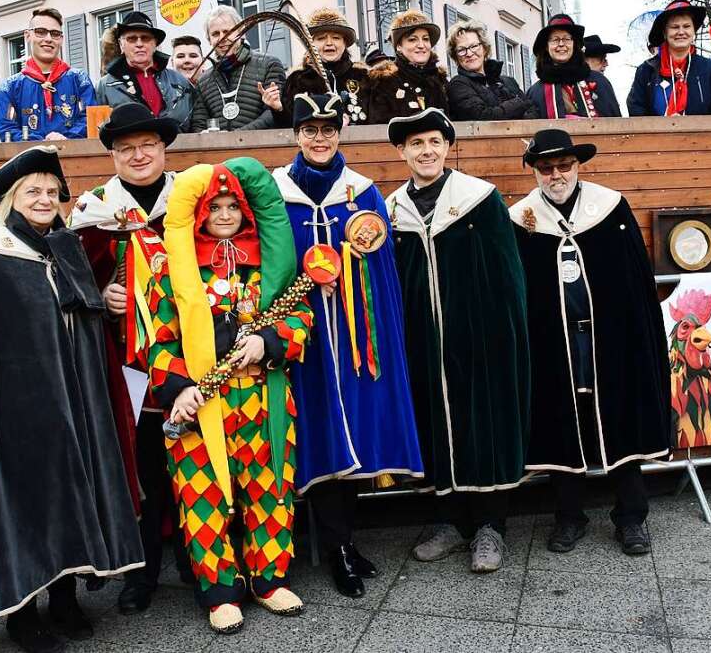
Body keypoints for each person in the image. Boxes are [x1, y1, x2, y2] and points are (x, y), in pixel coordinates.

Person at [0, 146, 143, 651]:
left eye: (52, 192)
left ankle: (65, 598)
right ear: (11, 199)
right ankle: (22, 614)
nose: (45, 199)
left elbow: (87, 331)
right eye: (33, 192)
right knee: (22, 508)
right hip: (9, 415)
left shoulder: (67, 253)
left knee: (69, 499)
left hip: (71, 407)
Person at [146, 158, 313, 633]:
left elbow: (300, 318)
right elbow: (159, 340)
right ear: (199, 213)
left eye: (231, 205)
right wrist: (177, 388)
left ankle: (269, 579)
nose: (223, 214)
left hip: (262, 398)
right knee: (203, 495)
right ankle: (220, 591)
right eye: (213, 206)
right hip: (199, 404)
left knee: (271, 489)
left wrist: (270, 340)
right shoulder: (174, 270)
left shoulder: (269, 264)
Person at [272, 93, 423, 598]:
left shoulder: (361, 192)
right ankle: (333, 546)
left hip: (357, 336)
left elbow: (380, 266)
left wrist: (350, 276)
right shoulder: (275, 192)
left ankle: (343, 543)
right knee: (317, 432)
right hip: (304, 339)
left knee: (353, 430)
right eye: (310, 128)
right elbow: (269, 264)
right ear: (295, 134)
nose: (320, 137)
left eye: (328, 128)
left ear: (340, 132)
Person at [510, 129, 671, 557]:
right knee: (561, 421)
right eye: (546, 168)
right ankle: (569, 517)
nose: (556, 174)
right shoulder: (521, 219)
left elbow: (636, 281)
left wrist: (636, 337)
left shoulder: (610, 207)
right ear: (535, 172)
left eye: (564, 165)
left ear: (577, 166)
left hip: (610, 340)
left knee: (620, 416)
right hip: (553, 342)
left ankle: (632, 518)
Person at [386, 108, 531, 573]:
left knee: (484, 424)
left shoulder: (478, 199)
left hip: (479, 336)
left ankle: (491, 525)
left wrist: (505, 333)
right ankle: (448, 519)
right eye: (415, 145)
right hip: (421, 341)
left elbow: (508, 274)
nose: (425, 151)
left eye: (433, 142)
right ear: (402, 152)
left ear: (447, 147)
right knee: (434, 425)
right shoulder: (390, 211)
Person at [68, 102, 188, 615]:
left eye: (148, 146)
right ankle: (142, 569)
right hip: (127, 362)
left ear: (163, 149)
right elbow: (71, 285)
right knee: (142, 460)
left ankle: (199, 555)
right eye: (126, 149)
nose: (139, 156)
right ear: (113, 156)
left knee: (195, 452)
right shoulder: (94, 210)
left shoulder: (192, 196)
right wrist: (101, 294)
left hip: (190, 353)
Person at [0, 7, 96, 142]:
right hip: (29, 159)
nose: (48, 39)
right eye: (41, 32)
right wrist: (39, 144)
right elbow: (6, 128)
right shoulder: (10, 86)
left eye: (55, 34)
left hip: (74, 157)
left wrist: (65, 138)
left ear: (61, 39)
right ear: (27, 36)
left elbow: (90, 119)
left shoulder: (79, 79)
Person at [627, 0, 711, 116]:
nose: (681, 32)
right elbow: (636, 110)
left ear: (693, 31)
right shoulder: (646, 71)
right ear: (665, 33)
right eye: (674, 27)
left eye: (686, 26)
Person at [190, 5, 285, 132]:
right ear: (209, 40)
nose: (222, 38)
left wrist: (235, 137)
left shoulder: (269, 65)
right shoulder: (203, 81)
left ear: (242, 33)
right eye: (215, 34)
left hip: (261, 148)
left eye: (228, 31)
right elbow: (199, 125)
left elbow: (272, 114)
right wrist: (205, 135)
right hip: (219, 150)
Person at [95, 11, 194, 132]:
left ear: (155, 44)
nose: (139, 44)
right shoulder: (104, 86)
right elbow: (98, 131)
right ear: (121, 45)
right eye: (132, 39)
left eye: (145, 38)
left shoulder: (180, 81)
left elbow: (197, 123)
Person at [273, 8, 370, 126]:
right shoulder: (297, 81)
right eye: (321, 38)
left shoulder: (364, 77)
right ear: (311, 44)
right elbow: (290, 127)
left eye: (336, 38)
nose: (329, 43)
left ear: (345, 43)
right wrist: (278, 109)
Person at [526, 14, 620, 119]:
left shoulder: (599, 82)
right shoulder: (536, 92)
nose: (561, 44)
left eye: (567, 39)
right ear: (547, 47)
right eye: (555, 39)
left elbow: (617, 126)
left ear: (574, 45)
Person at [363, 11, 448, 124]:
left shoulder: (440, 80)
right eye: (412, 39)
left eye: (426, 39)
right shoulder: (383, 81)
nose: (421, 45)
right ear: (398, 46)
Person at [445, 20, 537, 121]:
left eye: (474, 46)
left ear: (484, 48)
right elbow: (483, 117)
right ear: (455, 56)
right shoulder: (458, 85)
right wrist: (518, 103)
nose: (469, 53)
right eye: (461, 50)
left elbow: (533, 111)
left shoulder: (508, 82)